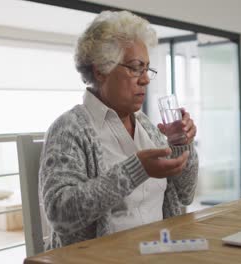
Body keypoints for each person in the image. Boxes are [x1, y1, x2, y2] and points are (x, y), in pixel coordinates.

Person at [39, 10, 198, 249]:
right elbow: (60, 214)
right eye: (136, 68)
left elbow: (186, 193)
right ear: (100, 70)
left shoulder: (147, 126)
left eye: (147, 69)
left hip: (160, 251)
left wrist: (180, 144)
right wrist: (136, 170)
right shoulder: (69, 129)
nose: (145, 79)